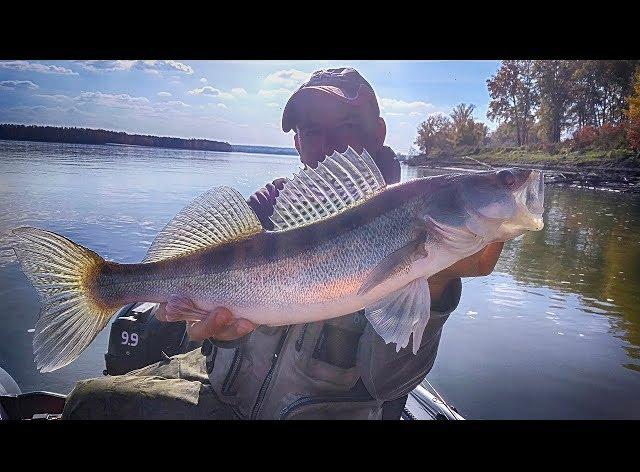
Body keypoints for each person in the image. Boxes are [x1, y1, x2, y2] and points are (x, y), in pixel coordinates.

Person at [62, 67, 503, 420]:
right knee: (85, 402)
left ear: (380, 132)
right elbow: (213, 326)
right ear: (296, 141)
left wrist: (438, 284)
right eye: (311, 130)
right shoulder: (267, 210)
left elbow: (388, 384)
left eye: (346, 125)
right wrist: (215, 332)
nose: (327, 143)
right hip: (221, 392)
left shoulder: (428, 234)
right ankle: (106, 286)